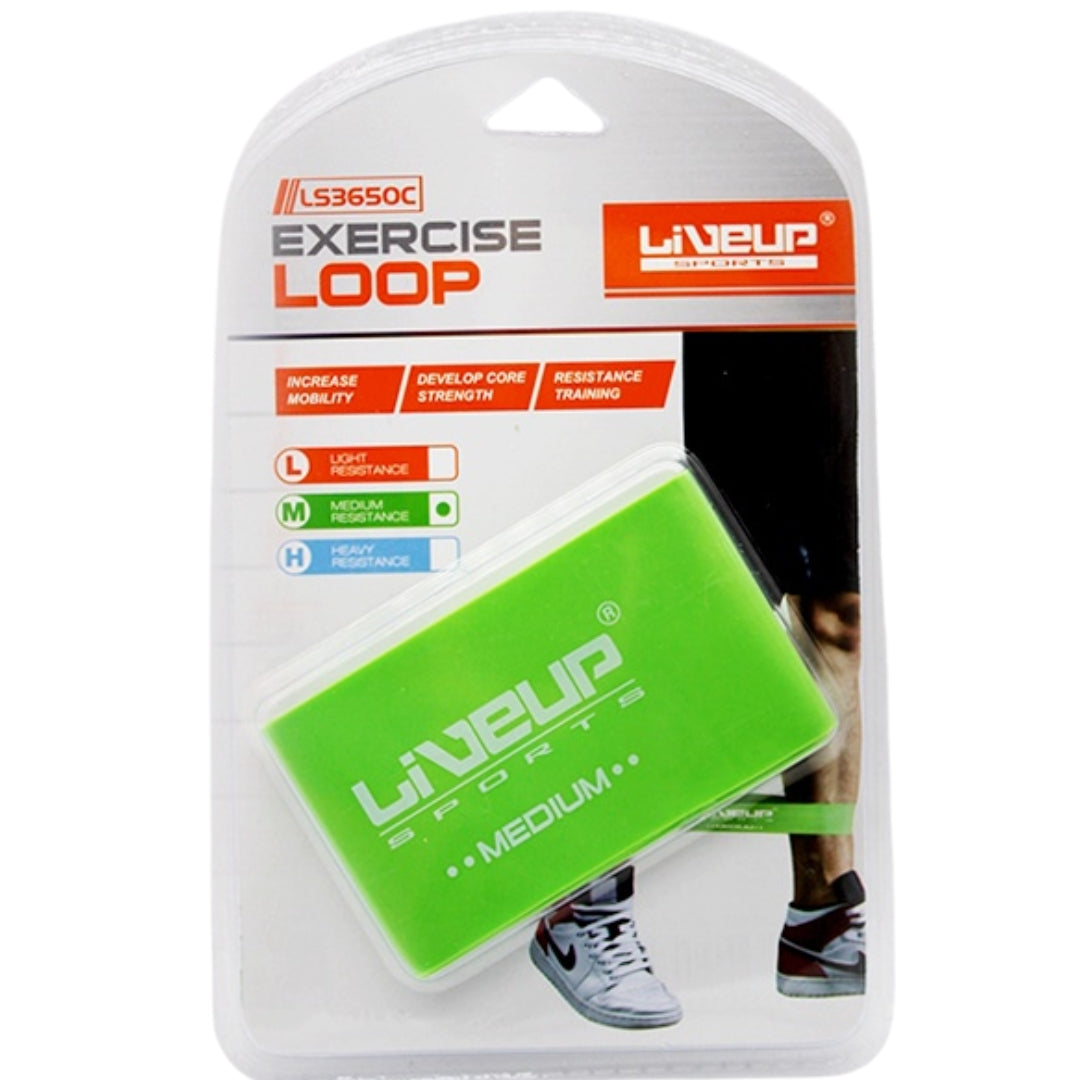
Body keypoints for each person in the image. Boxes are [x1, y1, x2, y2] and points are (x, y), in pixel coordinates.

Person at [529, 331, 866, 1025]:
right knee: (659, 589)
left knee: (836, 611)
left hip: (795, 303)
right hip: (664, 304)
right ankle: (583, 905)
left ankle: (821, 916)